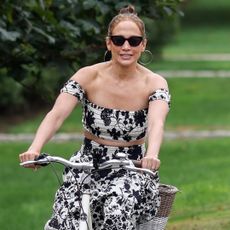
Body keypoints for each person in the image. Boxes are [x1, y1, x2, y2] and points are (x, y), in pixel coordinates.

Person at [19, 4, 170, 230]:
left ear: (143, 44)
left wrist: (152, 154)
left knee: (117, 212)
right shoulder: (87, 76)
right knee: (65, 218)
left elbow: (156, 123)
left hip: (131, 168)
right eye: (119, 40)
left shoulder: (154, 83)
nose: (126, 47)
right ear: (109, 43)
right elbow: (57, 114)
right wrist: (35, 147)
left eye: (134, 41)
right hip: (86, 164)